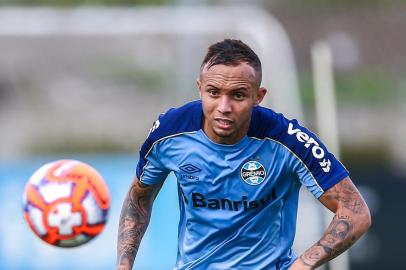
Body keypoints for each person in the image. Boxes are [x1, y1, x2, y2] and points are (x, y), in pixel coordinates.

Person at [116, 39, 371, 270]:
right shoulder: (170, 132)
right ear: (200, 89)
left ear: (258, 96)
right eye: (214, 92)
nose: (224, 108)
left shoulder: (288, 140)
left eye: (238, 95)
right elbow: (139, 198)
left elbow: (355, 211)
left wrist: (303, 265)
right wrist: (124, 266)